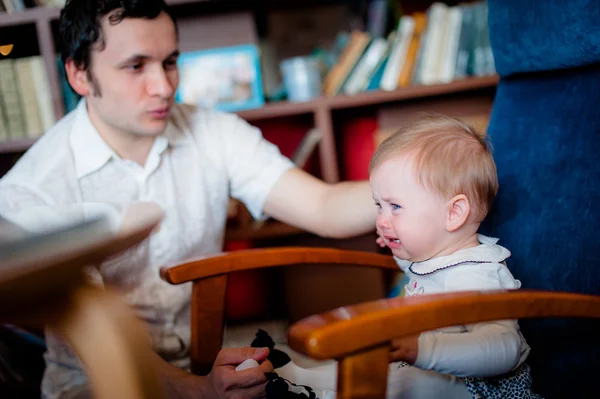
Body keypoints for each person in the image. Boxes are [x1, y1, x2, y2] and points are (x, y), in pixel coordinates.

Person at [0, 0, 377, 398]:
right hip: (100, 384)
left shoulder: (213, 131)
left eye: (170, 62)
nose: (163, 86)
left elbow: (322, 206)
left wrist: (422, 195)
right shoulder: (31, 191)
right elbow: (98, 335)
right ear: (79, 74)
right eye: (135, 66)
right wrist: (197, 391)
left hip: (206, 364)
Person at [255, 115, 542, 399]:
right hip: (429, 368)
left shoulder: (478, 274)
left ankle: (317, 395)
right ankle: (295, 377)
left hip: (480, 390)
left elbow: (505, 349)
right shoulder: (436, 255)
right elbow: (422, 272)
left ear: (454, 213)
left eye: (395, 207)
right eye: (378, 206)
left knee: (403, 381)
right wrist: (402, 253)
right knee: (363, 362)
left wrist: (423, 349)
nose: (380, 219)